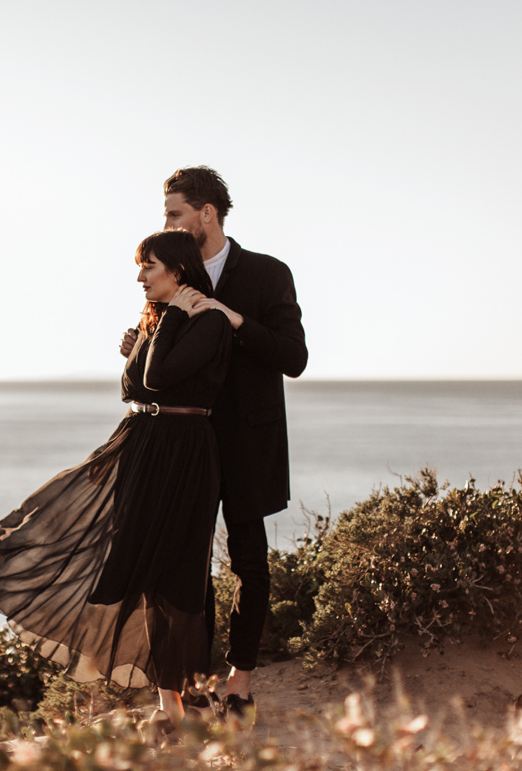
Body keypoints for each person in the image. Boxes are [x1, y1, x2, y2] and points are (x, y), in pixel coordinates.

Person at [0, 230, 232, 727]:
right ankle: (168, 705)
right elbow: (132, 384)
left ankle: (196, 701)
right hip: (144, 447)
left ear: (177, 270)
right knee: (146, 577)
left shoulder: (209, 318)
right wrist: (144, 341)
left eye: (148, 266)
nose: (139, 277)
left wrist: (169, 322)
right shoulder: (159, 319)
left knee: (181, 581)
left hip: (184, 454)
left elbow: (155, 379)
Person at [120, 166, 308, 719]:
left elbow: (293, 358)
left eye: (176, 213)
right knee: (184, 568)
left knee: (250, 563)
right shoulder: (171, 274)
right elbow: (161, 368)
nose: (170, 223)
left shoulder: (269, 274)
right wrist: (140, 342)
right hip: (183, 445)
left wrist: (233, 318)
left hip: (249, 442)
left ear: (207, 213)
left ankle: (240, 682)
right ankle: (194, 686)